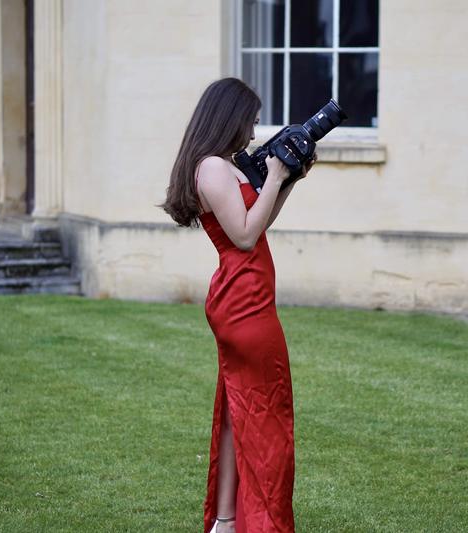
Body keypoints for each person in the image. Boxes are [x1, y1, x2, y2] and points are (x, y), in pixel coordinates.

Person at [161, 78, 315, 533]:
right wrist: (278, 176)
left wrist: (288, 183)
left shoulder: (220, 166)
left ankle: (226, 522)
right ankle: (263, 524)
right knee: (269, 417)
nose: (252, 132)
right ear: (229, 118)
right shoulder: (211, 168)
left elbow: (257, 221)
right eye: (249, 120)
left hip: (244, 297)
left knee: (238, 408)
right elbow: (245, 237)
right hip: (244, 301)